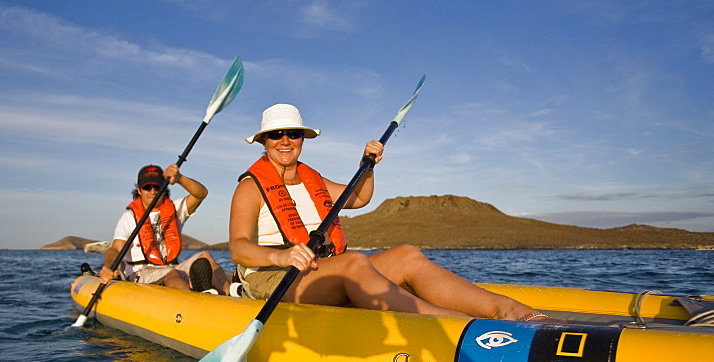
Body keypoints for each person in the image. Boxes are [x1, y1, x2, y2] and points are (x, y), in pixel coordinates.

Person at [228, 103, 552, 321]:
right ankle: (458, 326)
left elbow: (358, 198)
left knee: (407, 256)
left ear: (302, 138)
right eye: (276, 135)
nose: (285, 141)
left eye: (293, 134)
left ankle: (515, 314)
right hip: (274, 278)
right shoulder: (251, 187)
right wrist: (281, 258)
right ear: (264, 141)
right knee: (354, 262)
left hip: (317, 269)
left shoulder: (313, 179)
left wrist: (365, 167)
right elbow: (239, 248)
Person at [100, 163, 230, 294]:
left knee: (205, 257)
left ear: (164, 188)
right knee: (171, 273)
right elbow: (116, 248)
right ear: (139, 190)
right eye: (147, 187)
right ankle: (192, 304)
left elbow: (201, 194)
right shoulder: (129, 217)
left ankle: (231, 296)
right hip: (141, 273)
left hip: (171, 267)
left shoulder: (176, 208)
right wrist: (108, 267)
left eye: (157, 187)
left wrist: (179, 178)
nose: (152, 192)